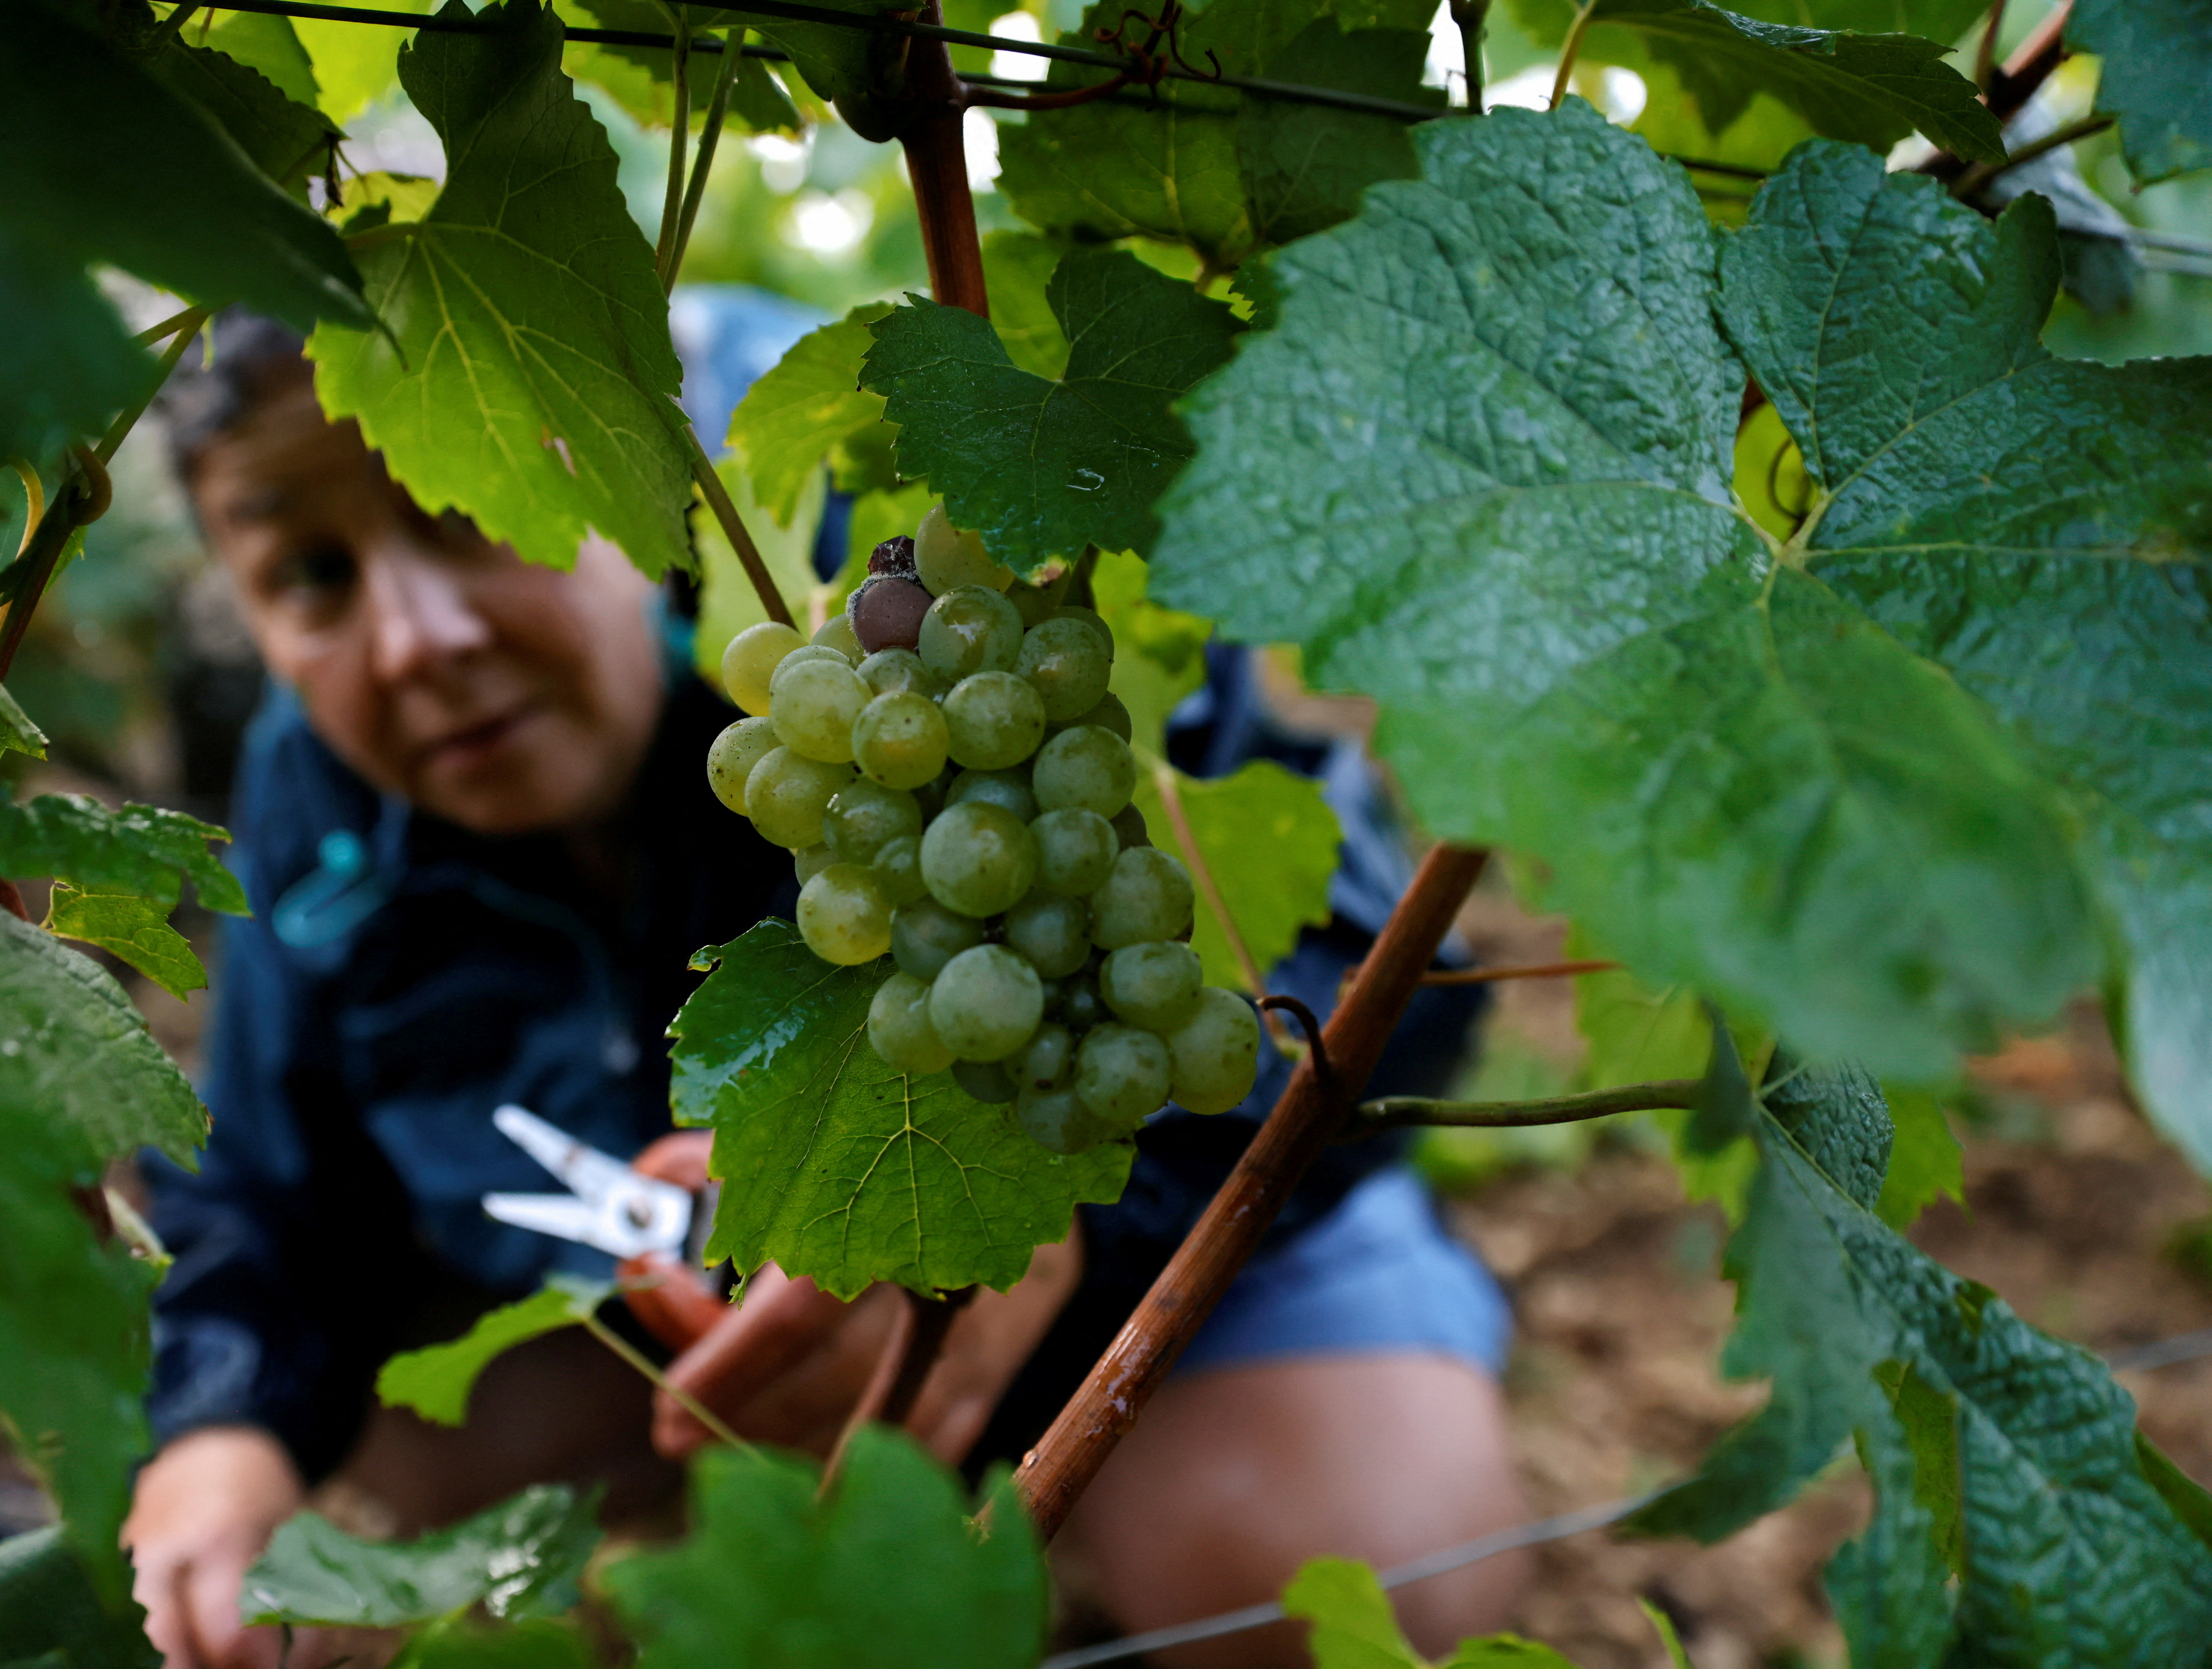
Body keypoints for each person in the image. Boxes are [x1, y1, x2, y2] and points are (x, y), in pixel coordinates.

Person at [122, 309, 1531, 1669]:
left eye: (461, 504)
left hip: (1159, 1242)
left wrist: (1062, 1220)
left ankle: (1120, 1463)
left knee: (1350, 1574)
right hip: (701, 1313)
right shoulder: (310, 783)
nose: (415, 637)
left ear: (621, 470)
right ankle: (758, 1501)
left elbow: (1378, 964)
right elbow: (261, 1184)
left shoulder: (911, 600)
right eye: (309, 574)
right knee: (404, 1430)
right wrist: (216, 1434)